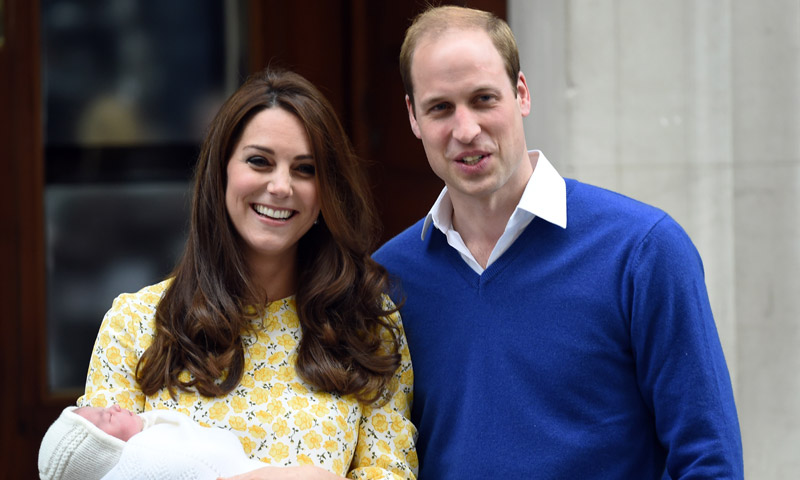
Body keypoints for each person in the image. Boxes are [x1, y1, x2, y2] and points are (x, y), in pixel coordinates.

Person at [372, 5, 743, 479]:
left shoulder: (643, 251)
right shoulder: (388, 281)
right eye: (441, 108)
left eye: (484, 99)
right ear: (413, 117)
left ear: (521, 94)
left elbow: (708, 460)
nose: (466, 131)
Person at [77, 68, 417, 480]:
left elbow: (391, 472)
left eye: (305, 169)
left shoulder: (366, 326)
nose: (280, 186)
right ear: (221, 172)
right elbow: (97, 471)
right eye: (259, 161)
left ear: (326, 192)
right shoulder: (135, 324)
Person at [38, 404, 267, 480]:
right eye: (107, 416)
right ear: (103, 451)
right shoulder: (148, 453)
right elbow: (204, 460)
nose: (114, 406)